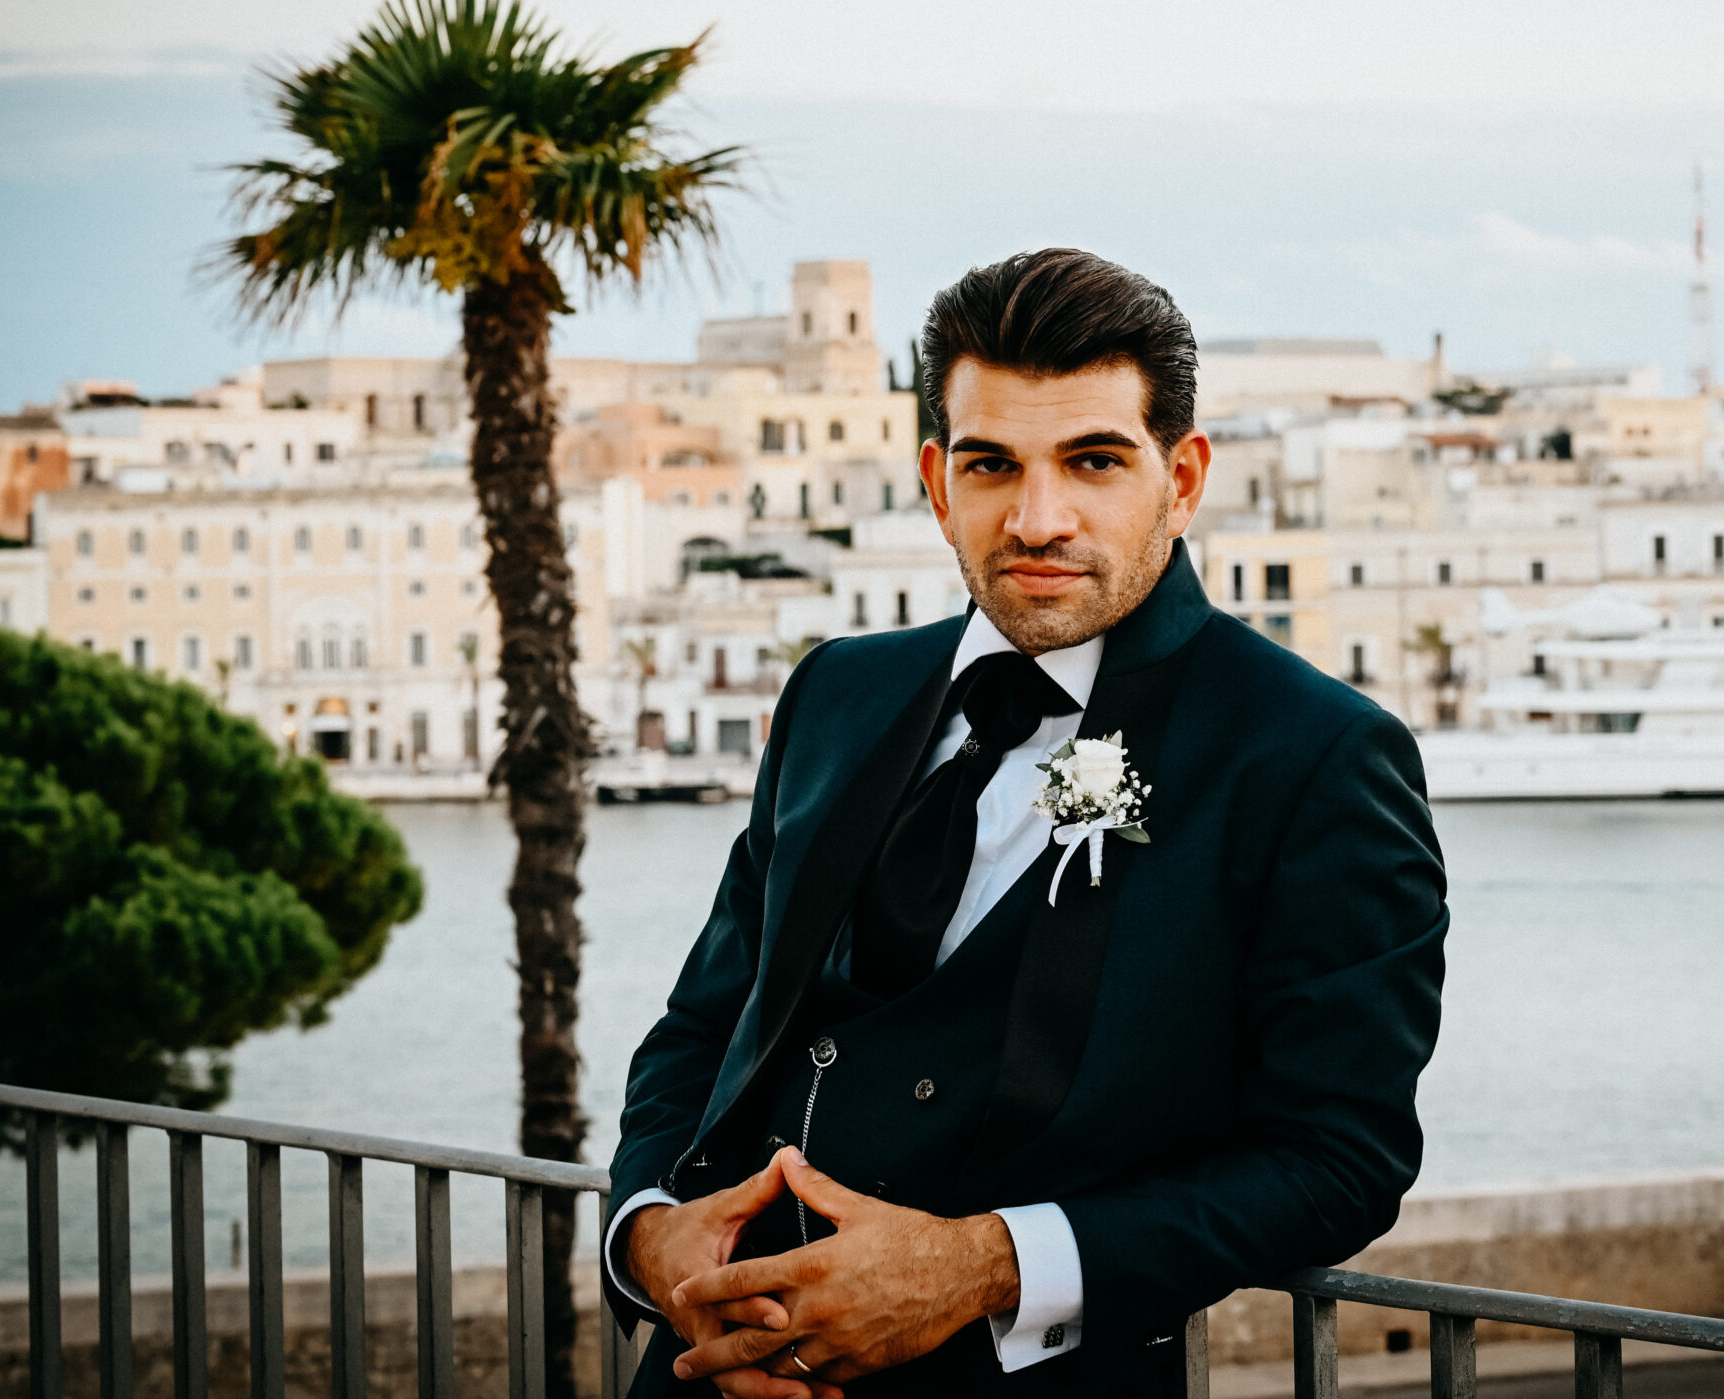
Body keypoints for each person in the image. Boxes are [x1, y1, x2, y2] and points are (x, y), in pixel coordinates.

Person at [603, 249, 1447, 1397]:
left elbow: (1339, 1158)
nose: (1038, 518)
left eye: (1093, 460)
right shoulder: (835, 692)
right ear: (936, 481)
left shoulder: (1312, 754)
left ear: (1182, 478)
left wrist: (985, 1265)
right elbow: (708, 1019)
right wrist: (650, 1229)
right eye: (991, 463)